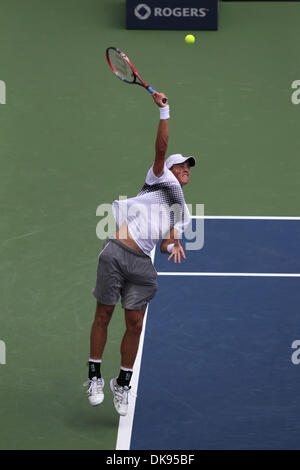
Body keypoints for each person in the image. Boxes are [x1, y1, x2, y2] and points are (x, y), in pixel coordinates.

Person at [84, 92, 195, 416]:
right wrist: (165, 111)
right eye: (182, 164)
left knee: (134, 325)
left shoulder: (182, 211)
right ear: (168, 168)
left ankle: (123, 383)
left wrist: (173, 244)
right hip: (117, 253)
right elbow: (161, 148)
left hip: (143, 265)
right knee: (103, 315)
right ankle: (94, 376)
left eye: (189, 167)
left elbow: (163, 243)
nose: (186, 169)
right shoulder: (157, 180)